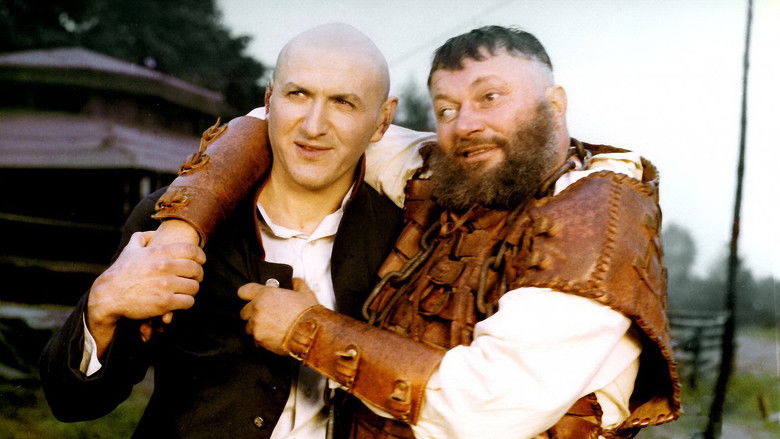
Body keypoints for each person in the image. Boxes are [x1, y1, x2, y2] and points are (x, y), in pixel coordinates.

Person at [148, 26, 682, 438]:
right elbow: (277, 123)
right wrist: (180, 229)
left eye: (490, 97)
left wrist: (307, 329)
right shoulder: (454, 171)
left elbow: (483, 406)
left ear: (555, 104)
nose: (466, 123)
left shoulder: (596, 223)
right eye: (447, 108)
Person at [40, 23, 410, 438]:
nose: (313, 126)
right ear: (269, 100)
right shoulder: (172, 219)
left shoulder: (402, 240)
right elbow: (72, 403)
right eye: (298, 94)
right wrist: (103, 305)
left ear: (382, 121)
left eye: (343, 102)